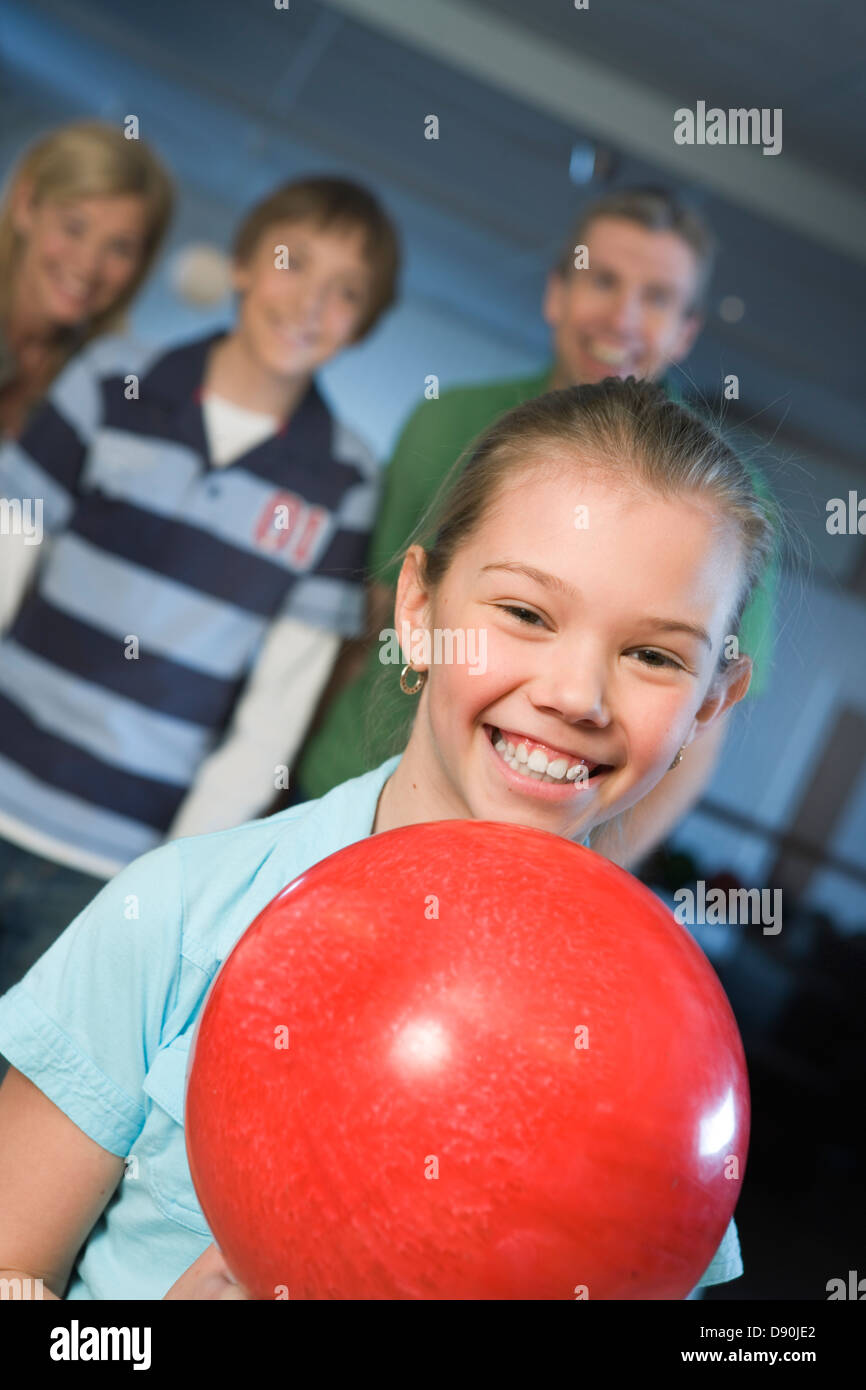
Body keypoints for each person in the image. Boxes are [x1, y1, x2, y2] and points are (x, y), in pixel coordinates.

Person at [0, 378, 773, 1299]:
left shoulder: (673, 1062)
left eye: (654, 655)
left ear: (711, 705)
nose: (577, 696)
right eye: (525, 614)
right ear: (417, 610)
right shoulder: (173, 911)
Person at [291, 187, 778, 869]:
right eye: (602, 280)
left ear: (686, 332)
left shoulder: (726, 510)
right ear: (556, 293)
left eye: (658, 297)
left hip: (528, 857)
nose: (624, 315)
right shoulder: (446, 422)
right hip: (342, 793)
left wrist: (578, 886)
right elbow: (367, 621)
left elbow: (704, 736)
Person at [0, 175, 399, 998]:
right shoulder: (113, 382)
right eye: (293, 264)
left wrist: (166, 887)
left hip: (108, 868)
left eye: (345, 292)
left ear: (361, 325)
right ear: (245, 265)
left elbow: (270, 722)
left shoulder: (344, 481)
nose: (311, 304)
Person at [0, 120, 174, 440]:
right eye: (74, 228)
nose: (88, 266)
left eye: (120, 248)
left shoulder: (107, 386)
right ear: (26, 205)